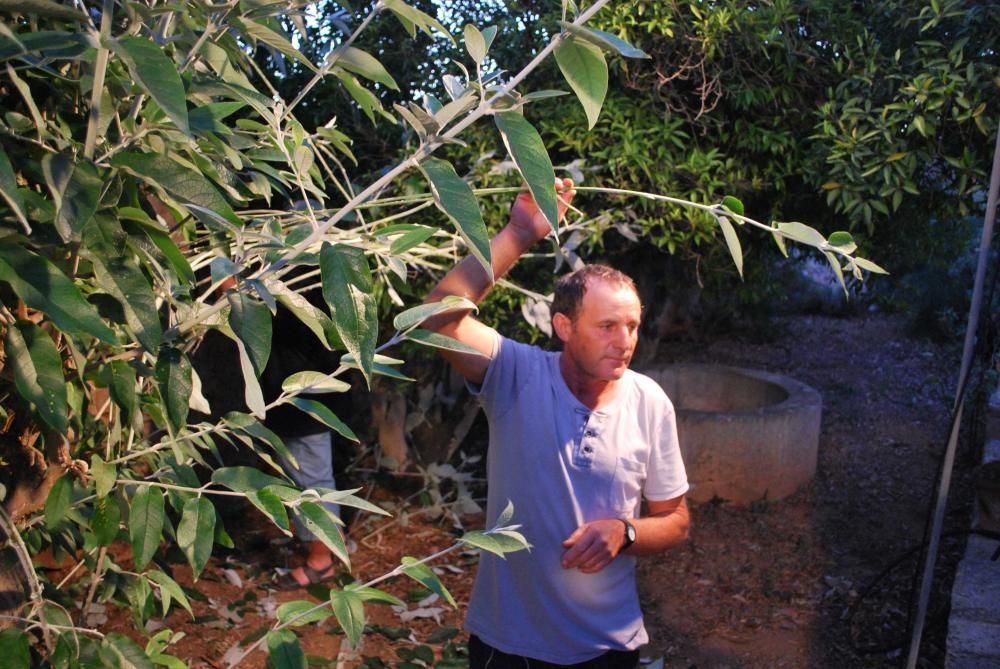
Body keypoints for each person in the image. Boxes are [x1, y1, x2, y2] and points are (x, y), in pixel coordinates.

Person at [422, 179, 691, 668]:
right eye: (607, 326)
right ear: (564, 327)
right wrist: (519, 234)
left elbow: (676, 520)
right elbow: (437, 321)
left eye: (631, 326)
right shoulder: (517, 375)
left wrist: (624, 532)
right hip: (508, 644)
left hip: (608, 646)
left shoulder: (650, 401)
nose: (624, 341)